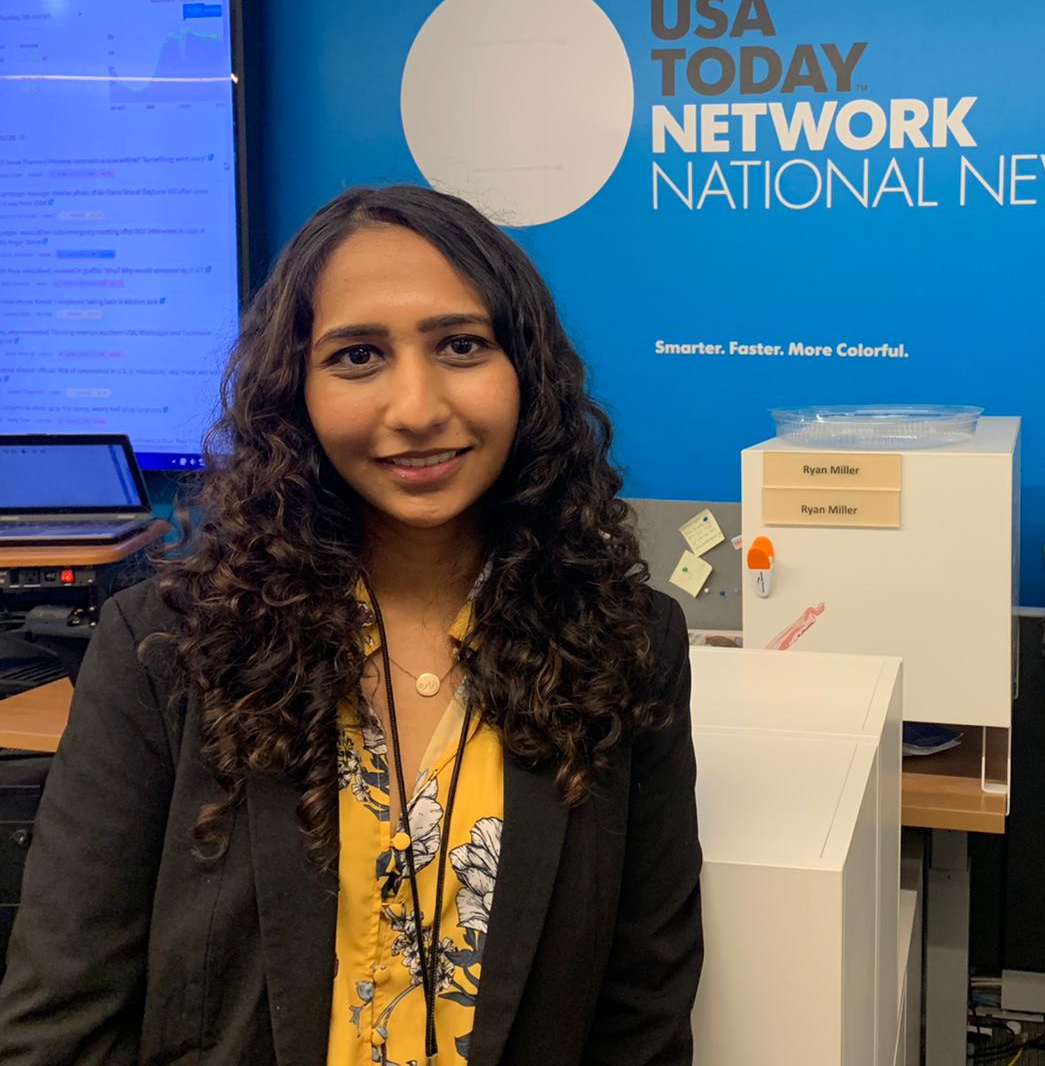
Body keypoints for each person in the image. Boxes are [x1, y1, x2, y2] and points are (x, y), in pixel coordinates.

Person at [0, 185, 703, 1065]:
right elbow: (62, 1015)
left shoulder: (625, 642)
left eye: (460, 345)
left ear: (528, 371)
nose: (414, 408)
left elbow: (644, 1009)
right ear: (294, 391)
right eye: (358, 355)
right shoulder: (167, 648)